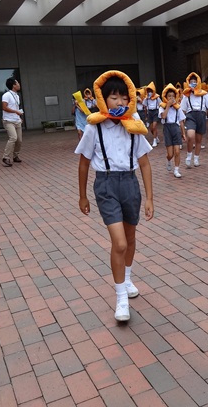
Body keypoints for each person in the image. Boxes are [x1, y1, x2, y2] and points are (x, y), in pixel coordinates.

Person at [75, 70, 153, 322]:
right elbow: (84, 163)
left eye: (123, 98)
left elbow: (145, 163)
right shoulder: (94, 127)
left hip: (130, 183)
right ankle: (121, 299)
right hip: (106, 185)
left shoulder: (134, 125)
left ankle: (127, 279)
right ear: (103, 99)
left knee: (130, 238)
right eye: (113, 97)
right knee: (119, 243)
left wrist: (150, 198)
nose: (119, 102)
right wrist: (82, 196)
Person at [181, 72, 208, 167]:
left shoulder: (204, 94)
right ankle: (188, 156)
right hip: (190, 116)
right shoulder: (186, 95)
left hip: (201, 116)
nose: (193, 83)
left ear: (198, 82)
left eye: (194, 82)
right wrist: (182, 120)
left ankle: (196, 158)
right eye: (191, 82)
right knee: (190, 135)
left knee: (198, 139)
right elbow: (183, 109)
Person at [159, 84, 186, 178]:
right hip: (167, 128)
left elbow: (181, 121)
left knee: (177, 151)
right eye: (169, 96)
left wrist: (183, 133)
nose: (171, 98)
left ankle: (176, 170)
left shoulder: (178, 108)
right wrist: (168, 106)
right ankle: (168, 159)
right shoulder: (162, 107)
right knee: (170, 154)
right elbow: (163, 116)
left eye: (173, 96)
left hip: (176, 128)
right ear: (165, 97)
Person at [1, 77, 24, 167]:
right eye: (17, 83)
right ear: (13, 85)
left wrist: (19, 117)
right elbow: (4, 107)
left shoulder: (17, 96)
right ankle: (5, 157)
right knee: (13, 138)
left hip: (17, 120)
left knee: (19, 140)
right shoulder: (6, 95)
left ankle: (15, 156)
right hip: (8, 120)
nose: (19, 84)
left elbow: (16, 108)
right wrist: (15, 112)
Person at [142, 82, 161, 147]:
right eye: (148, 91)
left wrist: (160, 113)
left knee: (154, 126)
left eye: (151, 91)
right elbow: (145, 107)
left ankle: (154, 140)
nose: (149, 92)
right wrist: (146, 116)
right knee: (151, 128)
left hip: (155, 111)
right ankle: (156, 136)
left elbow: (161, 105)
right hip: (149, 112)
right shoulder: (146, 99)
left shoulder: (157, 98)